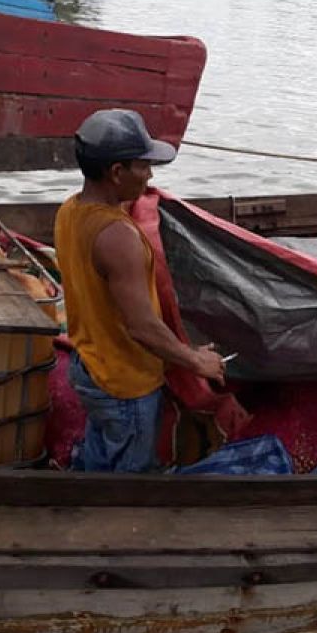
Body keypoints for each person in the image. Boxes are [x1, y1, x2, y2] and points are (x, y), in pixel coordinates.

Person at [54, 109, 224, 472]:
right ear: (117, 173)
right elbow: (142, 327)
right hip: (124, 385)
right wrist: (197, 361)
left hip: (90, 368)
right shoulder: (118, 237)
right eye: (144, 166)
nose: (150, 176)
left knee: (100, 460)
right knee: (129, 487)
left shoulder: (70, 210)